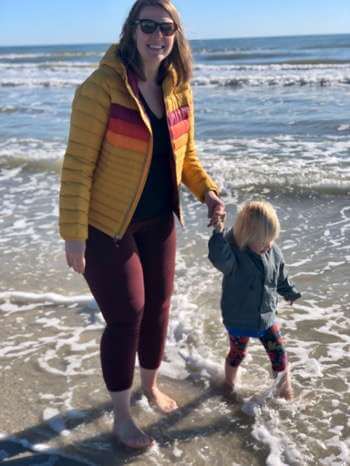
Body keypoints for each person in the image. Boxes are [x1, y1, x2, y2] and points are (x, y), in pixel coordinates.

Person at [59, 0, 224, 450]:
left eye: (166, 27)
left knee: (159, 307)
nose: (157, 35)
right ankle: (121, 415)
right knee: (126, 315)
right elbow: (76, 166)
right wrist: (73, 233)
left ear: (176, 34)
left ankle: (149, 385)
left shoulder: (178, 88)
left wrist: (206, 191)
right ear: (131, 30)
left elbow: (186, 156)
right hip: (106, 224)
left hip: (158, 219)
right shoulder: (101, 89)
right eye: (147, 26)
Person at [208, 200, 301, 400]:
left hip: (266, 317)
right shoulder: (233, 256)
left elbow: (280, 275)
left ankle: (285, 391)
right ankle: (229, 383)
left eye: (271, 240)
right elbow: (218, 257)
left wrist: (289, 291)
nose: (269, 246)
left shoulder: (272, 250)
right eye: (264, 241)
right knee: (237, 354)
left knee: (279, 355)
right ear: (246, 237)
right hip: (239, 319)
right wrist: (218, 233)